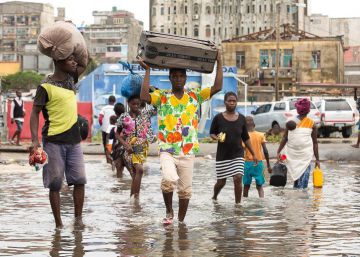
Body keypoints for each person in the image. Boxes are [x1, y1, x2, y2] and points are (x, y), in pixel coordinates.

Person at [138, 51, 223, 224]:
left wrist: (219, 62)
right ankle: (169, 211)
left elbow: (217, 87)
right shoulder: (162, 97)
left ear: (185, 78)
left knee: (185, 191)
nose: (178, 79)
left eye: (181, 76)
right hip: (167, 149)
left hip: (188, 150)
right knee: (168, 180)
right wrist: (147, 71)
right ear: (170, 78)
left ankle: (180, 221)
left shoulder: (194, 96)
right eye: (174, 76)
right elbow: (144, 96)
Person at [30, 54, 87, 228]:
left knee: (80, 180)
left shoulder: (71, 80)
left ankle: (78, 221)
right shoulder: (45, 87)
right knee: (55, 183)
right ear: (57, 61)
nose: (74, 62)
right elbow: (34, 113)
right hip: (53, 141)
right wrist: (34, 141)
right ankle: (59, 225)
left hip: (74, 141)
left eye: (73, 59)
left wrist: (72, 43)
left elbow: (84, 61)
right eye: (69, 59)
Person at [210, 92, 257, 204]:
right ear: (225, 102)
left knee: (238, 177)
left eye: (234, 101)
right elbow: (212, 133)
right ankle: (215, 196)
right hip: (223, 155)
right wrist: (216, 137)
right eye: (229, 101)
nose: (231, 103)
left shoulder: (241, 118)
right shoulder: (218, 118)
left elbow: (245, 138)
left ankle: (238, 205)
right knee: (221, 182)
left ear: (236, 102)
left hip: (238, 154)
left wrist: (253, 153)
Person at [116, 95, 157, 198]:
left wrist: (151, 92)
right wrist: (125, 145)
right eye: (133, 104)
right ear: (128, 104)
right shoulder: (124, 117)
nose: (136, 106)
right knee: (140, 170)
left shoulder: (145, 114)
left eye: (138, 104)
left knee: (135, 174)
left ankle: (133, 201)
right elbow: (117, 134)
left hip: (142, 149)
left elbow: (157, 107)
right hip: (129, 149)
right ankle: (136, 199)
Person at [277, 98, 320, 189]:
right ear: (308, 110)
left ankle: (297, 200)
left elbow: (285, 138)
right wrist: (317, 159)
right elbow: (315, 143)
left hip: (293, 155)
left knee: (297, 183)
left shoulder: (290, 122)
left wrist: (279, 152)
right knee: (302, 186)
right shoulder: (312, 124)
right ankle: (301, 201)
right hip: (305, 157)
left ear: (297, 109)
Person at [243, 116, 271, 198]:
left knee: (246, 186)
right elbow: (265, 151)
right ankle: (262, 202)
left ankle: (243, 204)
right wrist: (268, 165)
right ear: (254, 125)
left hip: (247, 164)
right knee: (259, 187)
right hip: (258, 163)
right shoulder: (260, 135)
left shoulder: (243, 136)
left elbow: (240, 151)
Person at [110, 102, 125, 177]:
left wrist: (110, 151)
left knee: (119, 171)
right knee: (131, 170)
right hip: (127, 149)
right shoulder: (128, 121)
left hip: (117, 150)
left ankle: (119, 185)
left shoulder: (115, 125)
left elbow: (110, 140)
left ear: (115, 112)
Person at [99, 95, 116, 162]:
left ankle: (108, 160)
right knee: (113, 144)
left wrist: (102, 125)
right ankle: (113, 159)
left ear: (108, 101)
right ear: (115, 101)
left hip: (105, 130)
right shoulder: (116, 108)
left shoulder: (104, 108)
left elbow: (100, 118)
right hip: (114, 129)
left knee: (106, 144)